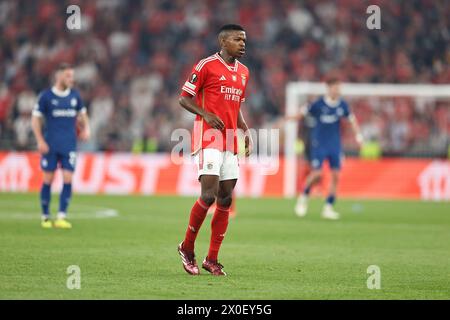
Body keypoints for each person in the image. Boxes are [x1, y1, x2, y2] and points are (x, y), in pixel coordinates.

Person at [177, 24, 252, 276]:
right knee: (208, 195)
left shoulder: (243, 72)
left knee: (226, 199)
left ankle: (212, 259)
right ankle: (187, 248)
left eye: (244, 40)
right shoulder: (206, 65)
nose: (242, 44)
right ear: (223, 41)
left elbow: (236, 105)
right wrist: (206, 114)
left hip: (230, 139)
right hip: (208, 137)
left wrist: (244, 128)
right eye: (237, 39)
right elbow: (184, 98)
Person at [289, 78, 363, 220]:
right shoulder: (318, 104)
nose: (337, 90)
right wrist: (288, 119)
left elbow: (351, 120)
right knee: (317, 173)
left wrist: (358, 137)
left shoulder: (342, 105)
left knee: (335, 176)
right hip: (319, 144)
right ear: (328, 88)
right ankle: (304, 196)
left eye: (339, 87)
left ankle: (328, 207)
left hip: (335, 145)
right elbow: (302, 114)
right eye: (335, 87)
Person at [31, 63, 90, 229]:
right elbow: (36, 119)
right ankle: (45, 216)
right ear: (59, 76)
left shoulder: (75, 96)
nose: (72, 79)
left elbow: (83, 115)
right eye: (68, 76)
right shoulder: (46, 97)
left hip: (69, 145)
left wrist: (87, 129)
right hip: (50, 145)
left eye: (72, 76)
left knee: (68, 178)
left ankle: (62, 216)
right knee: (48, 179)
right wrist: (40, 140)